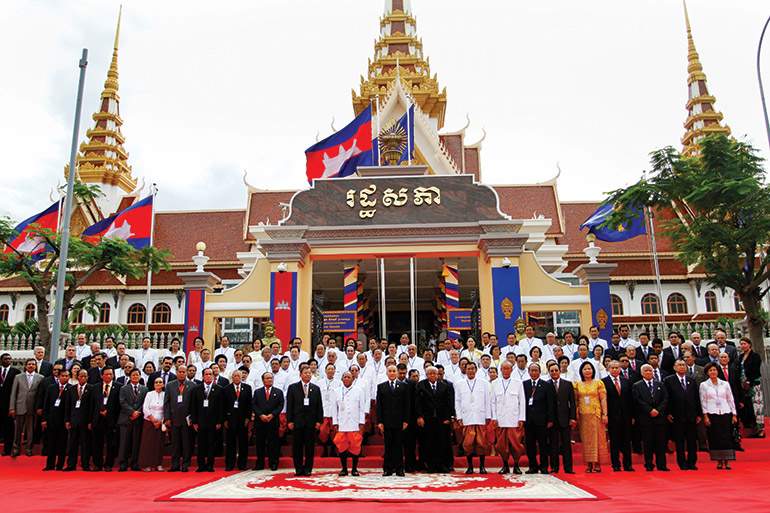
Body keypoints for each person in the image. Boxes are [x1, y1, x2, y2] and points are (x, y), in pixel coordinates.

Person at [415, 366, 454, 474]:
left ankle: (441, 465)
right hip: (427, 419)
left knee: (441, 442)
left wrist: (447, 417)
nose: (433, 375)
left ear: (438, 375)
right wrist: (419, 416)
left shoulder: (444, 386)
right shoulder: (421, 385)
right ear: (427, 375)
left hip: (441, 419)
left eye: (435, 373)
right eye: (430, 373)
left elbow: (448, 403)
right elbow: (417, 402)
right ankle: (431, 465)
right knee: (429, 443)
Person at [664, 359, 701, 470]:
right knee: (679, 441)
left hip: (691, 415)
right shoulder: (669, 380)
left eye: (683, 365)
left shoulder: (691, 381)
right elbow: (667, 398)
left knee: (692, 440)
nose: (682, 367)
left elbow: (696, 398)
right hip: (677, 415)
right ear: (674, 367)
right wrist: (668, 413)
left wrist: (698, 413)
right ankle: (682, 462)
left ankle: (692, 462)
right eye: (679, 365)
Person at [454, 362, 491, 474]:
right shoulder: (460, 384)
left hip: (480, 417)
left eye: (472, 369)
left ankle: (482, 466)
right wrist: (459, 417)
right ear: (465, 370)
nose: (470, 371)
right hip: (467, 417)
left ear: (476, 370)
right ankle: (470, 466)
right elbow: (458, 401)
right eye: (468, 369)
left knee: (482, 443)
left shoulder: (483, 383)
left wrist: (488, 415)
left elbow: (487, 400)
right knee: (468, 444)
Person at [286, 366, 323, 476]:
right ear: (300, 374)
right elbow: (290, 406)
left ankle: (308, 469)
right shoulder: (293, 388)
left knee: (309, 447)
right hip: (297, 421)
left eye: (309, 373)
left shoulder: (315, 388)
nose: (308, 375)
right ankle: (298, 468)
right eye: (306, 373)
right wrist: (290, 420)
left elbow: (319, 406)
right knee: (297, 447)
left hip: (311, 422)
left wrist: (318, 421)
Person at [700, 361, 737, 469]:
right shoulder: (704, 385)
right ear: (707, 372)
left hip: (725, 411)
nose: (713, 372)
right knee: (715, 437)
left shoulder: (725, 384)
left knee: (726, 436)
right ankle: (719, 461)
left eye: (714, 370)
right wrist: (705, 416)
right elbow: (703, 400)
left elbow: (730, 398)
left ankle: (727, 461)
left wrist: (734, 414)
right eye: (710, 370)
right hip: (712, 412)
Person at [633, 364, 669, 471]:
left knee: (661, 442)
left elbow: (665, 398)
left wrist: (658, 410)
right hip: (645, 418)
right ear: (642, 373)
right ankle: (649, 464)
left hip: (659, 417)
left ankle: (662, 465)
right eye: (646, 371)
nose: (648, 372)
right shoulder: (637, 386)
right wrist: (650, 410)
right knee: (648, 443)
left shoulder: (660, 384)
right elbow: (637, 400)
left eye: (650, 370)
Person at [491, 361, 526, 474]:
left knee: (516, 444)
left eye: (508, 368)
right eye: (503, 368)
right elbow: (493, 402)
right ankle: (505, 465)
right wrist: (494, 418)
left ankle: (516, 465)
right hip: (501, 419)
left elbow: (522, 401)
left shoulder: (518, 383)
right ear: (500, 370)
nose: (506, 370)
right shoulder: (495, 383)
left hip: (514, 419)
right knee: (502, 445)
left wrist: (521, 418)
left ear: (511, 370)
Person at [574, 361, 608, 472]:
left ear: (593, 370)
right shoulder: (577, 384)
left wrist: (605, 414)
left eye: (589, 369)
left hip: (596, 414)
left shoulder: (599, 383)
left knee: (598, 439)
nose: (587, 371)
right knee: (586, 440)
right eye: (585, 369)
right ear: (581, 371)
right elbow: (575, 401)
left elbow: (603, 399)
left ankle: (598, 464)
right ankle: (589, 464)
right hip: (583, 416)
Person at [331, 371, 366, 476]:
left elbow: (361, 408)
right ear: (342, 379)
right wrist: (335, 423)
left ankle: (354, 468)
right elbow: (334, 409)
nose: (346, 379)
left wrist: (361, 423)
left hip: (355, 423)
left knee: (355, 447)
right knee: (342, 447)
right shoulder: (336, 391)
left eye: (349, 377)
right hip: (342, 423)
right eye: (345, 377)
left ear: (353, 379)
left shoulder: (359, 391)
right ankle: (344, 468)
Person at [376, 364, 409, 476]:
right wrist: (379, 421)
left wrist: (406, 420)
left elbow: (406, 405)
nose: (392, 373)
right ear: (387, 373)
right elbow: (379, 406)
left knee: (399, 446)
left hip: (399, 421)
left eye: (394, 371)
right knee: (388, 446)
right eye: (389, 371)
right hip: (386, 421)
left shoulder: (404, 386)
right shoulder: (381, 387)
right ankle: (388, 469)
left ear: (397, 373)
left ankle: (399, 468)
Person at [602, 361, 634, 471]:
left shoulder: (626, 382)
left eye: (617, 368)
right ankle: (616, 464)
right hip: (612, 416)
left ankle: (628, 464)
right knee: (614, 441)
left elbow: (631, 400)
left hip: (626, 416)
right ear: (608, 369)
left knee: (626, 441)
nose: (615, 370)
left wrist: (632, 415)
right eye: (613, 368)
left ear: (620, 369)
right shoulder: (603, 382)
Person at [523, 362, 554, 474]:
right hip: (528, 420)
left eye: (536, 370)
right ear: (529, 372)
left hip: (542, 420)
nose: (534, 372)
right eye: (532, 370)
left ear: (540, 372)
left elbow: (550, 403)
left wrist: (550, 419)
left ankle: (544, 466)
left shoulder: (546, 385)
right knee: (530, 444)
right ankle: (533, 466)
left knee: (543, 444)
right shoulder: (525, 385)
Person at [190, 368, 224, 472]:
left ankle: (210, 465)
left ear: (213, 376)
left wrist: (219, 421)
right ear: (203, 376)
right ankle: (201, 466)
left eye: (210, 374)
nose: (208, 376)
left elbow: (221, 407)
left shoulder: (219, 389)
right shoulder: (197, 389)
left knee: (211, 444)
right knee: (201, 445)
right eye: (206, 374)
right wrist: (194, 421)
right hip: (200, 421)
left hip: (213, 422)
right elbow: (193, 406)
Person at [9, 358, 44, 457]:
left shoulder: (40, 378)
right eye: (29, 364)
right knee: (18, 430)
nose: (31, 366)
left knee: (30, 430)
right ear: (26, 366)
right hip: (20, 406)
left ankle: (29, 449)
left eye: (33, 364)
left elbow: (40, 395)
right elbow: (13, 393)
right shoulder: (18, 377)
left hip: (32, 408)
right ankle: (16, 448)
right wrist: (12, 408)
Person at [164, 363, 195, 472]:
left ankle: (185, 464)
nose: (182, 374)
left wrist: (192, 418)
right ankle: (175, 465)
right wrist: (167, 418)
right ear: (176, 372)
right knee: (175, 444)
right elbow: (166, 402)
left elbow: (194, 404)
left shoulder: (192, 385)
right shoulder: (170, 385)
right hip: (174, 418)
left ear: (187, 373)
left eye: (184, 372)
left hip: (187, 419)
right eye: (180, 372)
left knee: (187, 444)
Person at [91, 367, 121, 471]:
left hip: (111, 419)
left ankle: (109, 464)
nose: (109, 376)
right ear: (101, 376)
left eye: (110, 374)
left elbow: (119, 405)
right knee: (96, 443)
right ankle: (97, 464)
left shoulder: (118, 387)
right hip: (98, 419)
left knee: (110, 443)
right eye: (106, 374)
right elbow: (92, 404)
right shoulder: (95, 387)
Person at [252, 371, 284, 471]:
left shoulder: (278, 392)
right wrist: (261, 415)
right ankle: (260, 463)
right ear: (263, 380)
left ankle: (273, 463)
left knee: (273, 444)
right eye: (267, 378)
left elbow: (280, 405)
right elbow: (254, 404)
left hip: (273, 422)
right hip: (260, 422)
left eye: (271, 378)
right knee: (260, 444)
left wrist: (272, 415)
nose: (269, 380)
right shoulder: (257, 392)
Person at [548, 362, 576, 473]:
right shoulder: (546, 385)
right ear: (549, 372)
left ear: (560, 371)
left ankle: (568, 467)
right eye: (552, 371)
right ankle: (554, 467)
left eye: (556, 370)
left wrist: (572, 417)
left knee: (566, 445)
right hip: (552, 420)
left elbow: (572, 402)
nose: (554, 372)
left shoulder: (567, 384)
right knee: (553, 445)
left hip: (565, 418)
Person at [118, 368, 148, 471]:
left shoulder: (144, 389)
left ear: (140, 377)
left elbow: (145, 403)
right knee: (124, 443)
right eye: (133, 375)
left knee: (136, 443)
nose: (135, 377)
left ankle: (134, 463)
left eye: (137, 375)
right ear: (130, 377)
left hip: (138, 419)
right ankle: (123, 463)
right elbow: (122, 402)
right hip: (126, 419)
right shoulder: (124, 389)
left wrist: (137, 413)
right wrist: (132, 412)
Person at [63, 369, 93, 471]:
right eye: (81, 376)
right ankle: (71, 464)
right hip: (73, 420)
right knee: (72, 444)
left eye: (85, 376)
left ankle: (85, 464)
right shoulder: (71, 389)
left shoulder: (91, 389)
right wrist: (67, 420)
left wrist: (90, 421)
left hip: (85, 421)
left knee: (85, 443)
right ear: (77, 377)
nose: (83, 378)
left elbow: (92, 407)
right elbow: (67, 406)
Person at [41, 368, 70, 470]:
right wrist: (44, 419)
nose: (64, 378)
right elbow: (46, 404)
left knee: (62, 443)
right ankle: (50, 465)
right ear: (58, 377)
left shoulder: (71, 388)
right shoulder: (51, 388)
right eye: (62, 376)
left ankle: (60, 465)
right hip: (52, 419)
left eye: (66, 376)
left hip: (63, 420)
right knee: (51, 442)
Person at [223, 369, 252, 471]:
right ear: (232, 377)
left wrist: (248, 417)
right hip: (231, 419)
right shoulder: (226, 389)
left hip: (243, 419)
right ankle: (230, 464)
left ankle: (242, 464)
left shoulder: (247, 388)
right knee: (230, 443)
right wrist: (225, 419)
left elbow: (249, 404)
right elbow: (224, 406)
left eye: (238, 376)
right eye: (235, 376)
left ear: (242, 377)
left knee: (243, 443)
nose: (237, 378)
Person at [737, 337, 764, 438]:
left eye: (745, 344)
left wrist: (749, 381)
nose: (743, 346)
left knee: (757, 406)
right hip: (743, 384)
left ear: (749, 344)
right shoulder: (741, 357)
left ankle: (760, 429)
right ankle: (751, 427)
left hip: (754, 384)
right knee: (747, 407)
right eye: (741, 344)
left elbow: (755, 369)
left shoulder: (755, 356)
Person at [138, 377, 165, 472]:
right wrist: (153, 420)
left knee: (159, 444)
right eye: (156, 382)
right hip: (149, 422)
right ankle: (147, 464)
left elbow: (167, 408)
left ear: (163, 384)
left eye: (160, 382)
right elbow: (145, 408)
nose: (158, 384)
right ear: (153, 384)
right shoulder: (149, 394)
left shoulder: (165, 395)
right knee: (147, 444)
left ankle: (158, 464)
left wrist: (161, 421)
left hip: (160, 423)